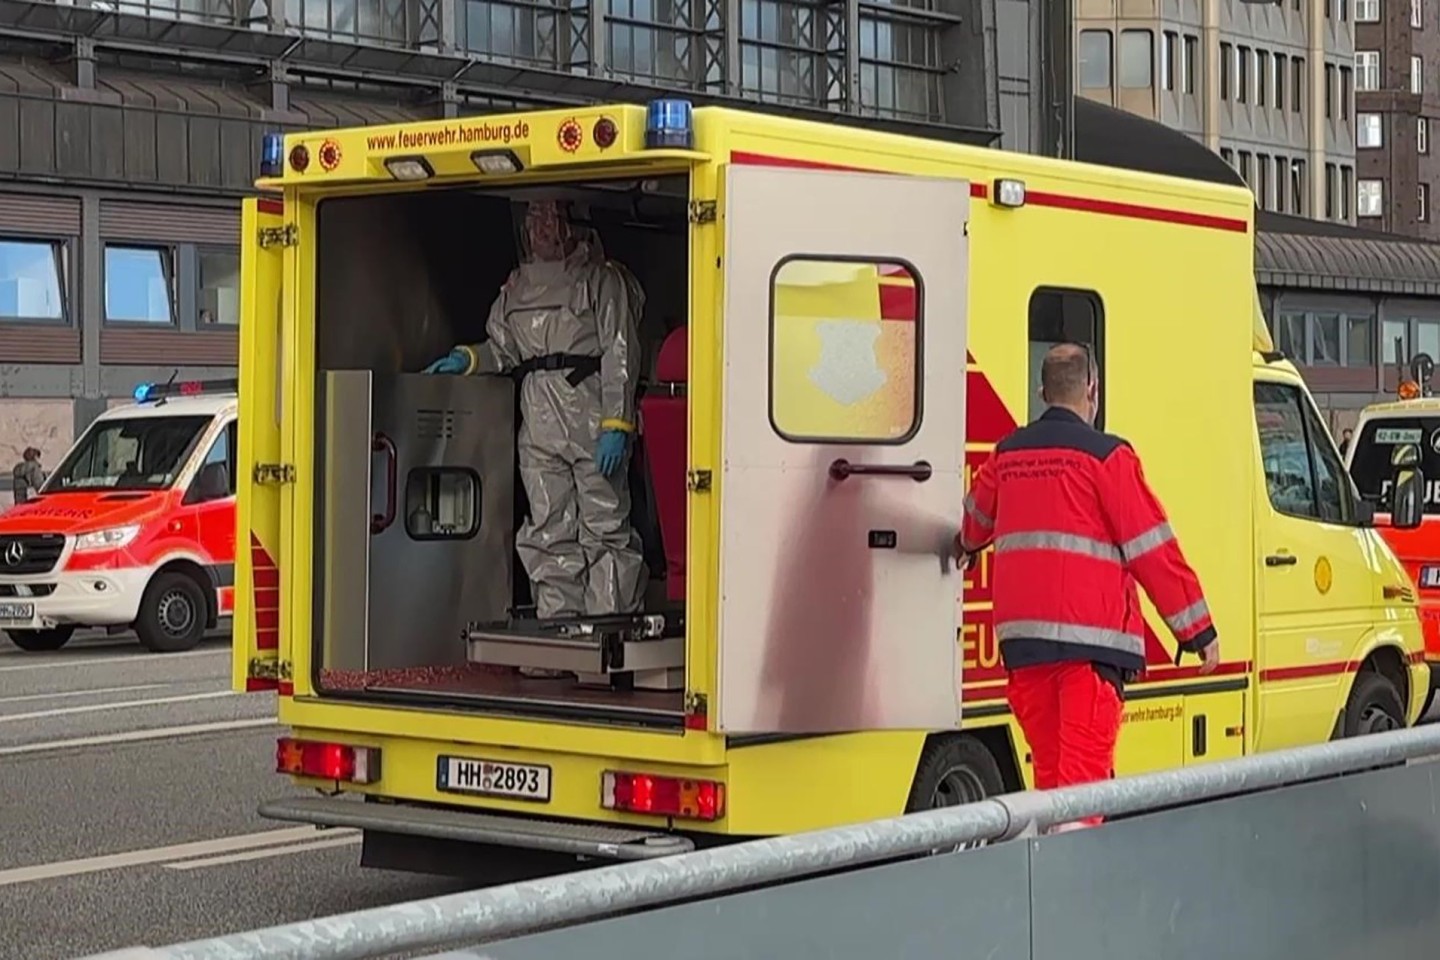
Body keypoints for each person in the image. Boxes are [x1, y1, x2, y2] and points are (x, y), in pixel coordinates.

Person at [955, 343, 1219, 830]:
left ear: (1042, 392)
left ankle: (1050, 891)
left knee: (1053, 788)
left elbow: (973, 523)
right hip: (1090, 652)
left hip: (1025, 650)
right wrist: (1196, 628)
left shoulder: (1008, 455)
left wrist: (967, 546)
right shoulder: (1107, 457)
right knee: (1081, 795)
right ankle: (1073, 894)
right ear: (1092, 391)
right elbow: (1152, 548)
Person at [423, 199, 647, 622]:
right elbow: (504, 348)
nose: (541, 228)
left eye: (550, 217)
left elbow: (621, 352)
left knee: (604, 527)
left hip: (590, 416)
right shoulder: (517, 287)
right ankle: (559, 629)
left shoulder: (602, 280)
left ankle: (608, 629)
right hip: (540, 420)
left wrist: (617, 422)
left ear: (572, 222)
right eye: (534, 218)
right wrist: (468, 359)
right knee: (549, 529)